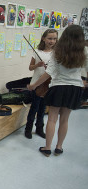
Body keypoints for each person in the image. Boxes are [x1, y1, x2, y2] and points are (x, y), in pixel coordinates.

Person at [27, 25, 88, 157]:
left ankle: (47, 147)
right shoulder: (85, 51)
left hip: (59, 86)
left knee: (52, 119)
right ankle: (59, 147)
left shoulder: (58, 51)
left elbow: (48, 73)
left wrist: (33, 85)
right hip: (75, 88)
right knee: (65, 119)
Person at [24, 29, 58, 139]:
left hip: (48, 85)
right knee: (34, 108)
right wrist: (38, 65)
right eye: (49, 38)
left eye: (54, 39)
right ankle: (28, 129)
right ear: (43, 38)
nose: (52, 41)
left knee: (42, 109)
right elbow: (30, 68)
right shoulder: (37, 52)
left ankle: (39, 128)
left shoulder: (56, 53)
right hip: (36, 84)